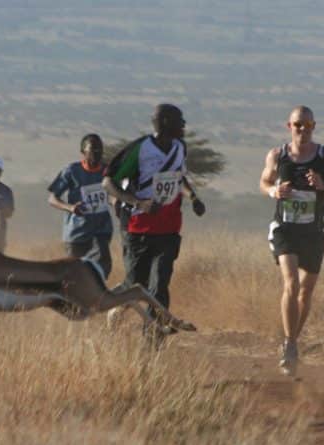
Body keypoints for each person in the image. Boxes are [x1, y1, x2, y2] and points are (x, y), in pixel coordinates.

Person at [101, 104, 207, 338]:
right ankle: (116, 308)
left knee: (159, 286)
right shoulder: (140, 150)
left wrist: (194, 197)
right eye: (180, 120)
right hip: (137, 227)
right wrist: (139, 203)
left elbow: (179, 177)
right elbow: (108, 182)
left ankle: (153, 341)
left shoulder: (180, 147)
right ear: (165, 122)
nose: (184, 125)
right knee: (136, 284)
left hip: (168, 228)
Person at [259, 105, 324, 376]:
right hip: (285, 228)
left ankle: (292, 339)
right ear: (289, 126)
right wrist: (274, 191)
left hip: (313, 231)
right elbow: (263, 182)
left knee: (306, 291)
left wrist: (323, 187)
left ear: (314, 127)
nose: (303, 130)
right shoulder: (277, 155)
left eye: (308, 125)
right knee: (291, 282)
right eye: (298, 125)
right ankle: (289, 346)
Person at [47, 134, 114, 278]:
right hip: (77, 234)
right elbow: (52, 198)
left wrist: (116, 201)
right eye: (92, 150)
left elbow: (112, 193)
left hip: (101, 230)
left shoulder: (108, 171)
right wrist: (71, 208)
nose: (96, 154)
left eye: (99, 150)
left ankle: (97, 294)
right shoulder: (72, 171)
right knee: (74, 276)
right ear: (83, 152)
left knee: (102, 262)